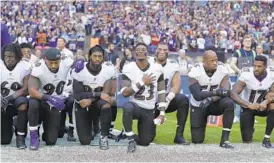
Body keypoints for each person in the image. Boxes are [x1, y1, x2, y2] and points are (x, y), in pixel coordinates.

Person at [121, 43, 166, 153]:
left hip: (149, 109)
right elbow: (125, 93)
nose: (140, 51)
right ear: (134, 53)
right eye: (138, 49)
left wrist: (162, 113)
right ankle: (131, 139)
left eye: (143, 49)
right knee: (127, 107)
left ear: (147, 52)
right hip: (135, 106)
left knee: (145, 141)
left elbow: (161, 91)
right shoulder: (129, 67)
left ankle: (125, 134)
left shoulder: (157, 68)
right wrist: (142, 82)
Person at [28, 48, 74, 150]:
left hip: (56, 102)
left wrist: (80, 63)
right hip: (42, 100)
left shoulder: (66, 62)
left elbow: (78, 61)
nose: (53, 65)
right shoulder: (39, 67)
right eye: (51, 63)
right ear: (45, 60)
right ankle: (34, 136)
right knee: (33, 103)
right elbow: (32, 91)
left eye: (56, 63)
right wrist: (49, 98)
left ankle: (46, 131)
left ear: (60, 60)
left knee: (51, 141)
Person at [71, 45, 115, 150]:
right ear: (90, 56)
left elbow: (107, 93)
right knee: (85, 141)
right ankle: (94, 126)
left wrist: (91, 99)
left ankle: (103, 137)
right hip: (82, 104)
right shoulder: (79, 70)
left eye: (100, 56)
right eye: (95, 56)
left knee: (106, 105)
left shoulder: (108, 70)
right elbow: (77, 94)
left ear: (103, 57)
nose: (97, 59)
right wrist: (98, 94)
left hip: (96, 103)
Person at [188, 50, 234, 148]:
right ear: (204, 61)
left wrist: (211, 99)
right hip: (198, 105)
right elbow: (197, 95)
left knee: (229, 103)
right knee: (197, 140)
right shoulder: (195, 70)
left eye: (216, 60)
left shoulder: (222, 69)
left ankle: (225, 140)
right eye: (211, 61)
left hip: (214, 103)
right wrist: (216, 92)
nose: (215, 63)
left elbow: (226, 91)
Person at [231, 55, 274, 148]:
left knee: (273, 106)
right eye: (254, 65)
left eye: (259, 66)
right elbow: (233, 93)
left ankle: (266, 138)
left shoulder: (271, 74)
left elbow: (273, 92)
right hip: (248, 107)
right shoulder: (247, 74)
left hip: (264, 106)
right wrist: (248, 105)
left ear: (265, 67)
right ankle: (250, 129)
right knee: (246, 140)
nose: (256, 68)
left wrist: (266, 101)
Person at [154, 42, 190, 145]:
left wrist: (168, 99)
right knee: (148, 137)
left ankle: (179, 136)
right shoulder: (149, 63)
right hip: (151, 101)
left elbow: (176, 86)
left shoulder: (173, 65)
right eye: (160, 49)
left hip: (166, 100)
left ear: (168, 52)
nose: (162, 51)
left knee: (183, 100)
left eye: (165, 50)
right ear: (156, 50)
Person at [1, 43, 31, 149]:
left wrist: (9, 98)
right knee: (4, 140)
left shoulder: (25, 66)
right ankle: (12, 126)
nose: (8, 59)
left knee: (23, 103)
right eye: (6, 56)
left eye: (11, 56)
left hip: (17, 99)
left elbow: (26, 89)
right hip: (2, 101)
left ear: (17, 56)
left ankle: (20, 137)